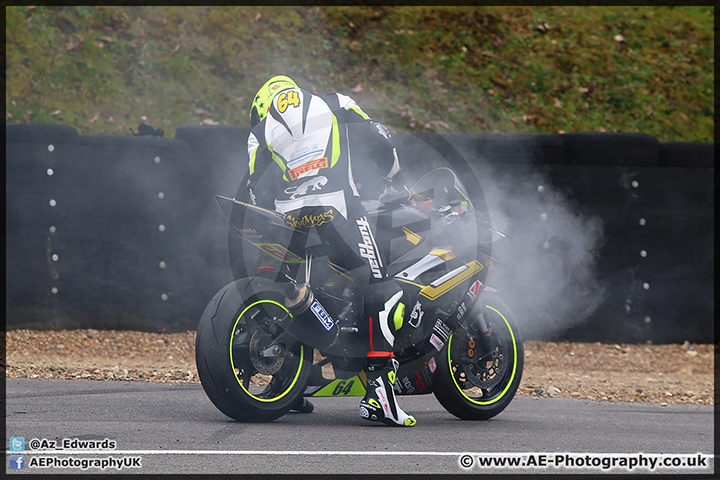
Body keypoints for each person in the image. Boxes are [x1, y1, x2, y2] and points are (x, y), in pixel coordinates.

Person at [246, 75, 416, 427]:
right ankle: (381, 393)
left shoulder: (257, 132)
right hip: (336, 208)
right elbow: (377, 136)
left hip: (287, 218)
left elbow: (253, 188)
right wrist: (396, 182)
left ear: (262, 105)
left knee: (307, 286)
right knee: (380, 289)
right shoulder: (333, 101)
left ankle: (297, 382)